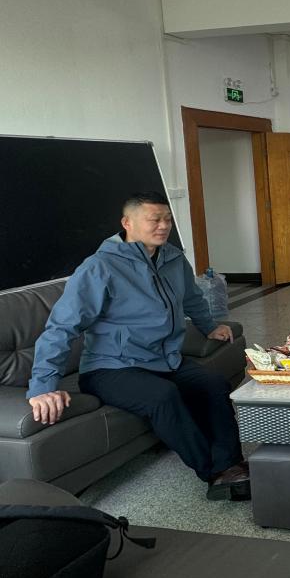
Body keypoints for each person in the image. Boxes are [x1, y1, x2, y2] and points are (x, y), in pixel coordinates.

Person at [26, 192, 250, 501]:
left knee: (213, 383)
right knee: (163, 396)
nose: (163, 226)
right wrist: (42, 386)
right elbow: (61, 327)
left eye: (167, 219)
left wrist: (210, 326)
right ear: (127, 223)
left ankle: (230, 464)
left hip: (163, 359)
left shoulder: (173, 258)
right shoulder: (99, 267)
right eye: (154, 220)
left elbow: (191, 298)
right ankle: (213, 472)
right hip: (111, 366)